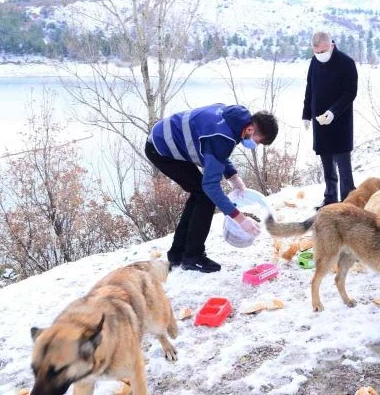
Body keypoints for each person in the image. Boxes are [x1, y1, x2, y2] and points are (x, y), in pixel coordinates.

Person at [145, 103, 279, 272]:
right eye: (259, 142)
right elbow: (211, 183)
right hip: (162, 149)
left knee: (199, 194)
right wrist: (240, 219)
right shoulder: (223, 136)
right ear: (251, 130)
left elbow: (216, 152)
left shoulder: (236, 118)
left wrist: (233, 176)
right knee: (205, 195)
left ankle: (178, 254)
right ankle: (193, 257)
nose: (256, 145)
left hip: (162, 138)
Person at [302, 31, 358, 208]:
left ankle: (348, 202)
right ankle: (330, 198)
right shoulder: (314, 62)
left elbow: (350, 92)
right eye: (317, 52)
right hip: (320, 120)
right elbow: (309, 89)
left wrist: (333, 112)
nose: (320, 55)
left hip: (340, 120)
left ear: (331, 46)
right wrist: (306, 114)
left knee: (343, 164)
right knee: (326, 163)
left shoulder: (346, 62)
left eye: (323, 51)